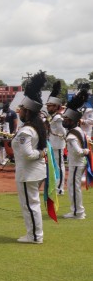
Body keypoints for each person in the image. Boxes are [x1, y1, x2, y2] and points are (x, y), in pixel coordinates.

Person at [11, 72, 50, 244]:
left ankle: (34, 236)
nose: (19, 111)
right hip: (34, 172)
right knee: (31, 204)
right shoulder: (34, 127)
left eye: (21, 109)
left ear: (27, 111)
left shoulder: (26, 130)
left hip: (28, 173)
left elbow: (27, 154)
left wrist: (41, 154)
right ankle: (34, 234)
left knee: (30, 205)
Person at [62, 84, 89, 220]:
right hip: (78, 163)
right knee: (74, 187)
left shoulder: (72, 135)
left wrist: (85, 151)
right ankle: (77, 211)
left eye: (66, 119)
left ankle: (77, 212)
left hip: (76, 163)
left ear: (72, 120)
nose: (64, 121)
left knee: (74, 188)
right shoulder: (79, 131)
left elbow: (79, 151)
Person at [45, 81, 66, 194]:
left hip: (57, 144)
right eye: (48, 106)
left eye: (50, 106)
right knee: (53, 167)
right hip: (51, 144)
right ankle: (55, 186)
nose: (48, 108)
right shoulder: (52, 117)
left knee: (59, 166)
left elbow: (63, 132)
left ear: (56, 107)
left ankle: (60, 188)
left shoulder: (58, 118)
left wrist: (59, 138)